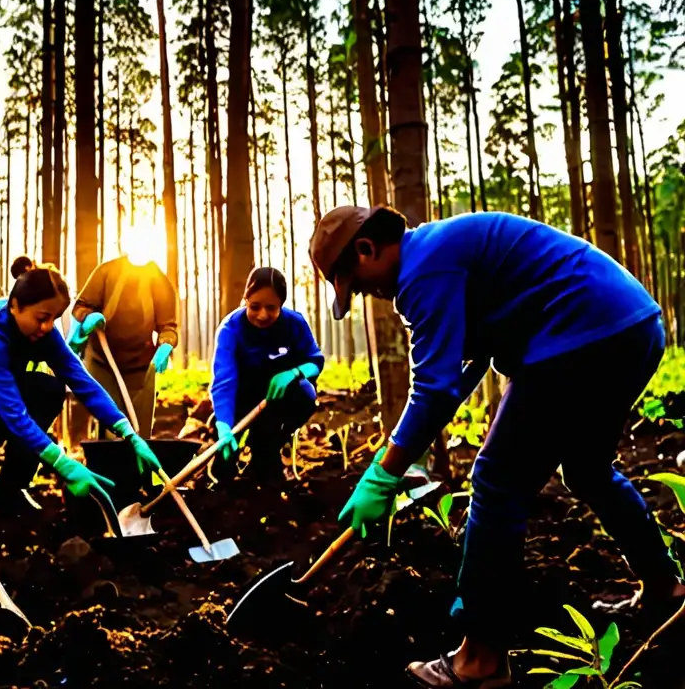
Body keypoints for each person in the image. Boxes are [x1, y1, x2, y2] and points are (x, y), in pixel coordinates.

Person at [308, 205, 685, 688]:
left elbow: (434, 387)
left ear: (366, 248)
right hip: (629, 327)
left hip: (580, 334)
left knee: (497, 481)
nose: (370, 295)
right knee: (587, 468)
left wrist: (384, 471)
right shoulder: (442, 251)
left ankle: (481, 658)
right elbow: (467, 367)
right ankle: (664, 584)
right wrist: (405, 455)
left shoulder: (423, 269)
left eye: (358, 283)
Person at [0, 256, 167, 513]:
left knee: (47, 389)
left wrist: (128, 432)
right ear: (15, 305)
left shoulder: (45, 334)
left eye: (55, 317)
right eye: (42, 317)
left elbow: (82, 381)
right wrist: (62, 463)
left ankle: (12, 491)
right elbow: (12, 412)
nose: (48, 326)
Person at [208, 267, 324, 481]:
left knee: (305, 394)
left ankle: (268, 451)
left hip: (277, 400)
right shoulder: (230, 329)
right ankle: (223, 464)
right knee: (224, 461)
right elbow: (224, 382)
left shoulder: (294, 323)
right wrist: (224, 425)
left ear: (281, 305)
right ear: (245, 299)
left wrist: (295, 372)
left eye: (271, 308)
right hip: (241, 397)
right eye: (255, 306)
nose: (262, 315)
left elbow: (315, 360)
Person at [66, 241, 179, 439]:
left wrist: (166, 344)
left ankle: (139, 467)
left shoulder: (158, 280)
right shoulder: (106, 272)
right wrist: (87, 319)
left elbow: (168, 324)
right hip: (103, 360)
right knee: (111, 423)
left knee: (140, 426)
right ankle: (108, 466)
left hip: (141, 365)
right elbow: (81, 306)